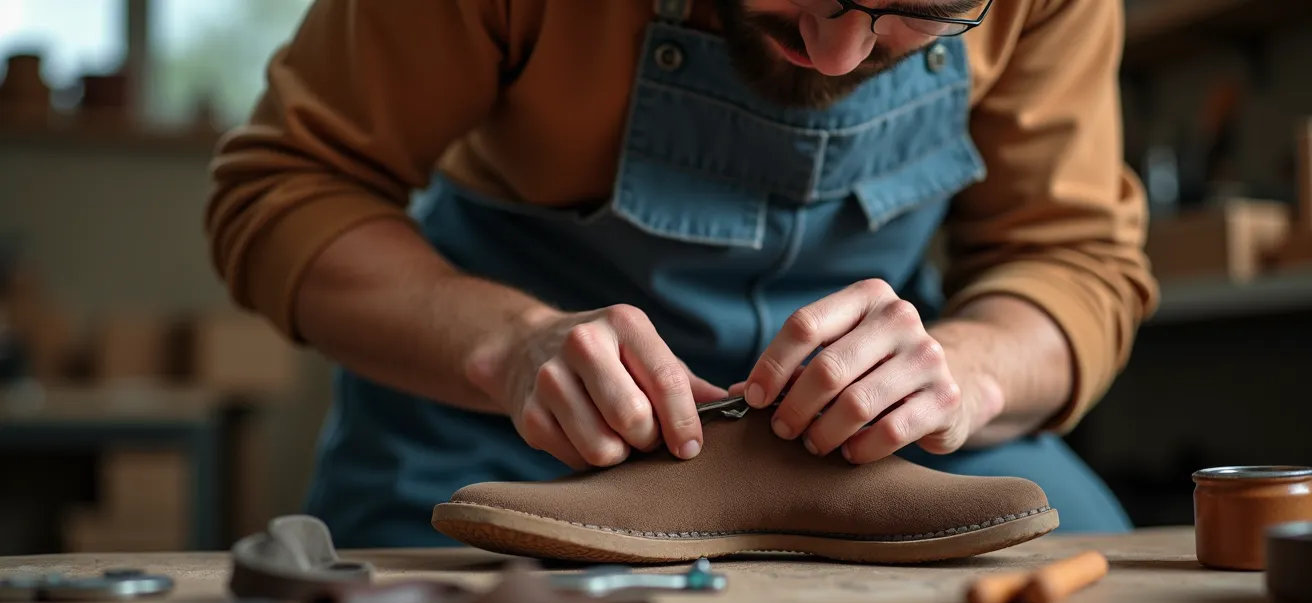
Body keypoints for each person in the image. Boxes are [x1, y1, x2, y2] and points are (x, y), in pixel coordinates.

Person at [205, 0, 1159, 548]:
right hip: (504, 437)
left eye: (922, 10)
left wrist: (968, 375)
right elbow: (286, 188)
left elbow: (1073, 258)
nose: (835, 53)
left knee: (1087, 584)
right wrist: (508, 346)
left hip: (890, 449)